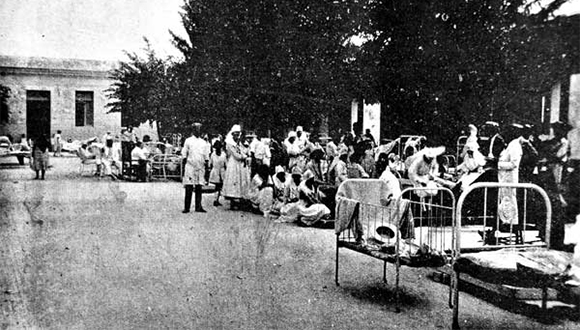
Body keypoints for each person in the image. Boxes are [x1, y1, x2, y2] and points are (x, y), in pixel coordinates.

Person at [496, 123, 524, 229]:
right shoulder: (510, 144)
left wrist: (497, 165)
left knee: (510, 200)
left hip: (509, 178)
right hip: (504, 178)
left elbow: (513, 164)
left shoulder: (515, 146)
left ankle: (511, 223)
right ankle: (506, 222)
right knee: (505, 200)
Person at [182, 123, 210, 213]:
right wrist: (184, 168)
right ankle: (187, 207)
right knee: (189, 187)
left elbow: (206, 157)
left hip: (200, 167)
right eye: (196, 129)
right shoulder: (188, 141)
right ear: (193, 130)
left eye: (200, 129)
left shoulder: (203, 142)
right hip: (190, 166)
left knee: (199, 187)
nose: (198, 131)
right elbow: (184, 154)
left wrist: (207, 167)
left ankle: (198, 206)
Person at [222, 124, 251, 210]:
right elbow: (236, 155)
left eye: (238, 134)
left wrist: (245, 152)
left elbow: (244, 151)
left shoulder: (239, 143)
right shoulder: (230, 144)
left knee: (241, 181)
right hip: (233, 164)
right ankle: (233, 201)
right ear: (232, 134)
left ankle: (240, 200)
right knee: (234, 181)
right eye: (235, 134)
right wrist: (244, 156)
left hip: (240, 165)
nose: (237, 136)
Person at [209, 140, 227, 207]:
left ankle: (217, 199)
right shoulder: (213, 154)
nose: (218, 148)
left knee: (220, 186)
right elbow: (210, 163)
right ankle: (215, 200)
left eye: (219, 147)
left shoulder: (223, 154)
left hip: (222, 171)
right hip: (216, 171)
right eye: (216, 147)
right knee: (217, 186)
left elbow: (226, 164)